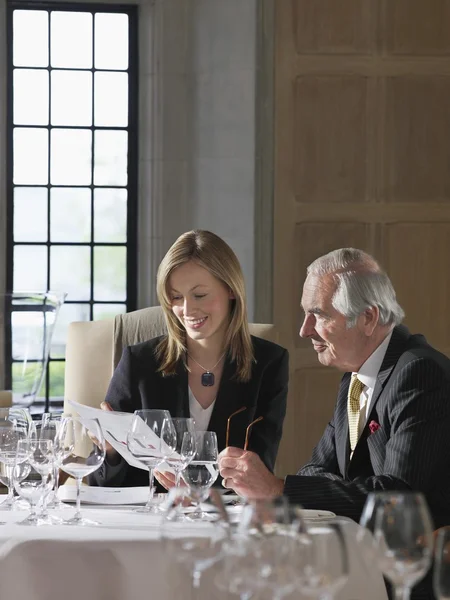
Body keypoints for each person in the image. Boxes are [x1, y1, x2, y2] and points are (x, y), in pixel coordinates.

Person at [219, 248, 450, 568]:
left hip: (415, 570)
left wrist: (277, 489)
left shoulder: (419, 373)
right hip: (365, 556)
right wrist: (279, 492)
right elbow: (318, 468)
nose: (305, 329)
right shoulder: (355, 376)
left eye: (320, 314)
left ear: (368, 318)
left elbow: (397, 500)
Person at [89, 230, 289, 488]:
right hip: (147, 519)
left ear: (231, 289)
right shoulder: (139, 362)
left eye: (200, 295)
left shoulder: (269, 363)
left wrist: (196, 488)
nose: (187, 309)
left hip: (225, 519)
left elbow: (259, 472)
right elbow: (99, 483)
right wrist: (111, 451)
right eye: (176, 297)